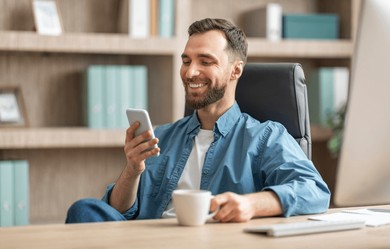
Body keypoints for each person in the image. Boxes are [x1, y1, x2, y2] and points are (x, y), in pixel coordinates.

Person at [66, 18, 330, 224]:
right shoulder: (162, 136)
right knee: (85, 210)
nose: (190, 72)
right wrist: (132, 170)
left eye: (205, 61)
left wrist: (251, 204)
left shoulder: (265, 137)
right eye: (186, 60)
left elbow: (315, 190)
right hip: (147, 247)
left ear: (235, 70)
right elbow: (118, 213)